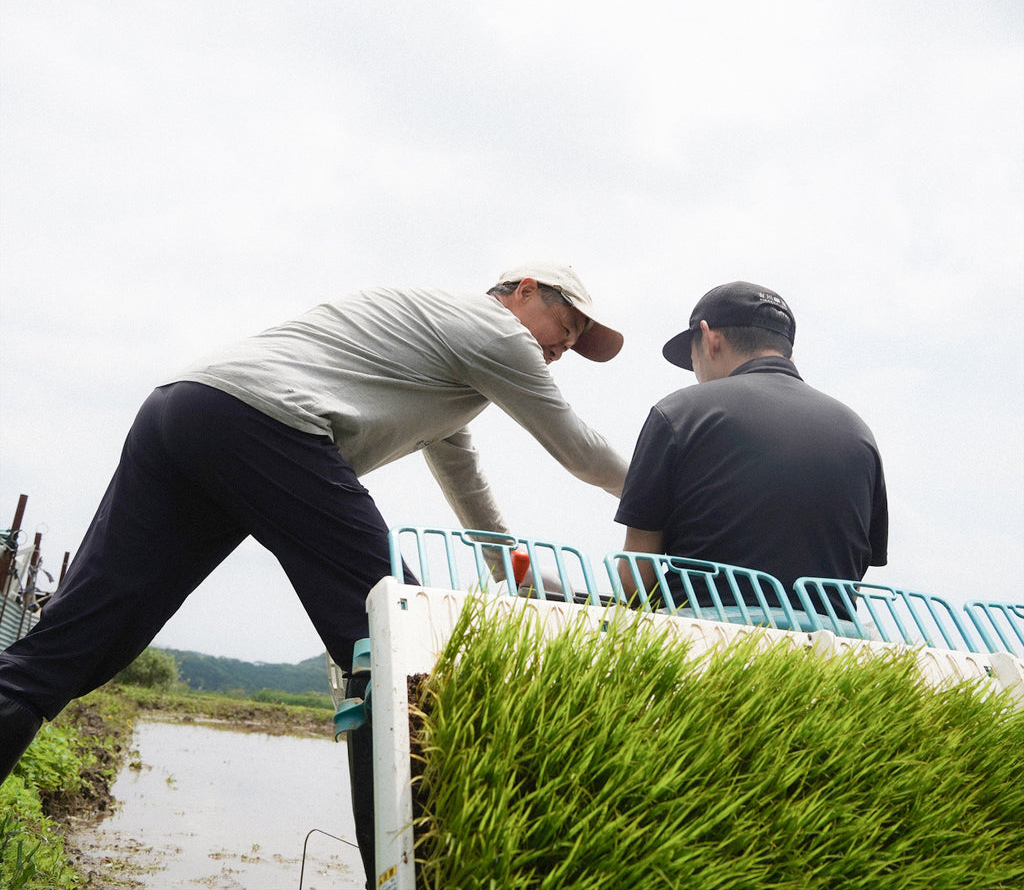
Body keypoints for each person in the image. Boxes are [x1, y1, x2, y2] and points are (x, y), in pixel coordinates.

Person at [0, 261, 629, 888]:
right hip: (265, 422)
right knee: (394, 645)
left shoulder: (447, 354)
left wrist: (510, 569)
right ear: (522, 293)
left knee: (70, 647)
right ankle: (403, 878)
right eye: (565, 326)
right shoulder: (496, 333)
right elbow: (580, 450)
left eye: (574, 344)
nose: (561, 349)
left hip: (183, 409)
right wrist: (657, 499)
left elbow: (462, 472)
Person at [615, 280, 887, 624]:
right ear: (788, 353)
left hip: (704, 639)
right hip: (829, 648)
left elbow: (638, 571)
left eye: (692, 357)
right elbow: (854, 576)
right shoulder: (858, 433)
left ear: (710, 338)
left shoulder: (679, 413)